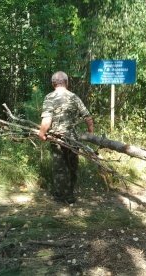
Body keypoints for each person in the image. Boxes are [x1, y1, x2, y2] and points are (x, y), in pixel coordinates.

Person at [38, 71, 94, 204]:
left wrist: (41, 133)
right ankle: (70, 196)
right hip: (73, 139)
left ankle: (59, 197)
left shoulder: (50, 97)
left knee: (59, 168)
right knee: (72, 167)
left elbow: (47, 119)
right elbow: (87, 117)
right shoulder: (74, 97)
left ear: (53, 83)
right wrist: (91, 133)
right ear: (67, 82)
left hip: (57, 139)